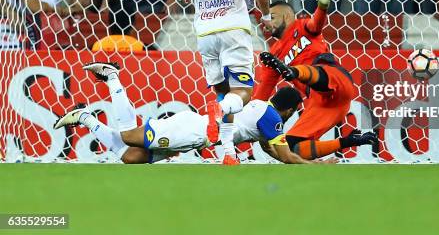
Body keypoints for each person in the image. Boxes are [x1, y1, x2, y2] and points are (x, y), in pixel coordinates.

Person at [54, 62, 334, 164]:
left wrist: (301, 162)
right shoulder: (271, 118)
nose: (291, 116)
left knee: (132, 157)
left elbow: (274, 151)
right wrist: (313, 166)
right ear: (288, 109)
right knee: (129, 136)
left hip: (195, 134)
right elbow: (283, 154)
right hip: (190, 131)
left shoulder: (262, 112)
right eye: (294, 112)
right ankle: (112, 77)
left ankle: (85, 118)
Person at [167, 0, 271, 164]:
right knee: (243, 91)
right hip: (234, 29)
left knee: (223, 92)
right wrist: (266, 16)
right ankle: (221, 111)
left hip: (205, 32)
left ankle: (227, 153)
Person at [254, 0, 376, 159]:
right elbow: (260, 97)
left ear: (287, 15)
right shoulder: (273, 56)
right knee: (293, 146)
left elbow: (316, 24)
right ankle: (350, 141)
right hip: (321, 102)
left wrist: (322, 6)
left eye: (271, 17)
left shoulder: (301, 26)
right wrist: (242, 116)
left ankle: (292, 71)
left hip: (335, 81)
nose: (266, 23)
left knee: (319, 68)